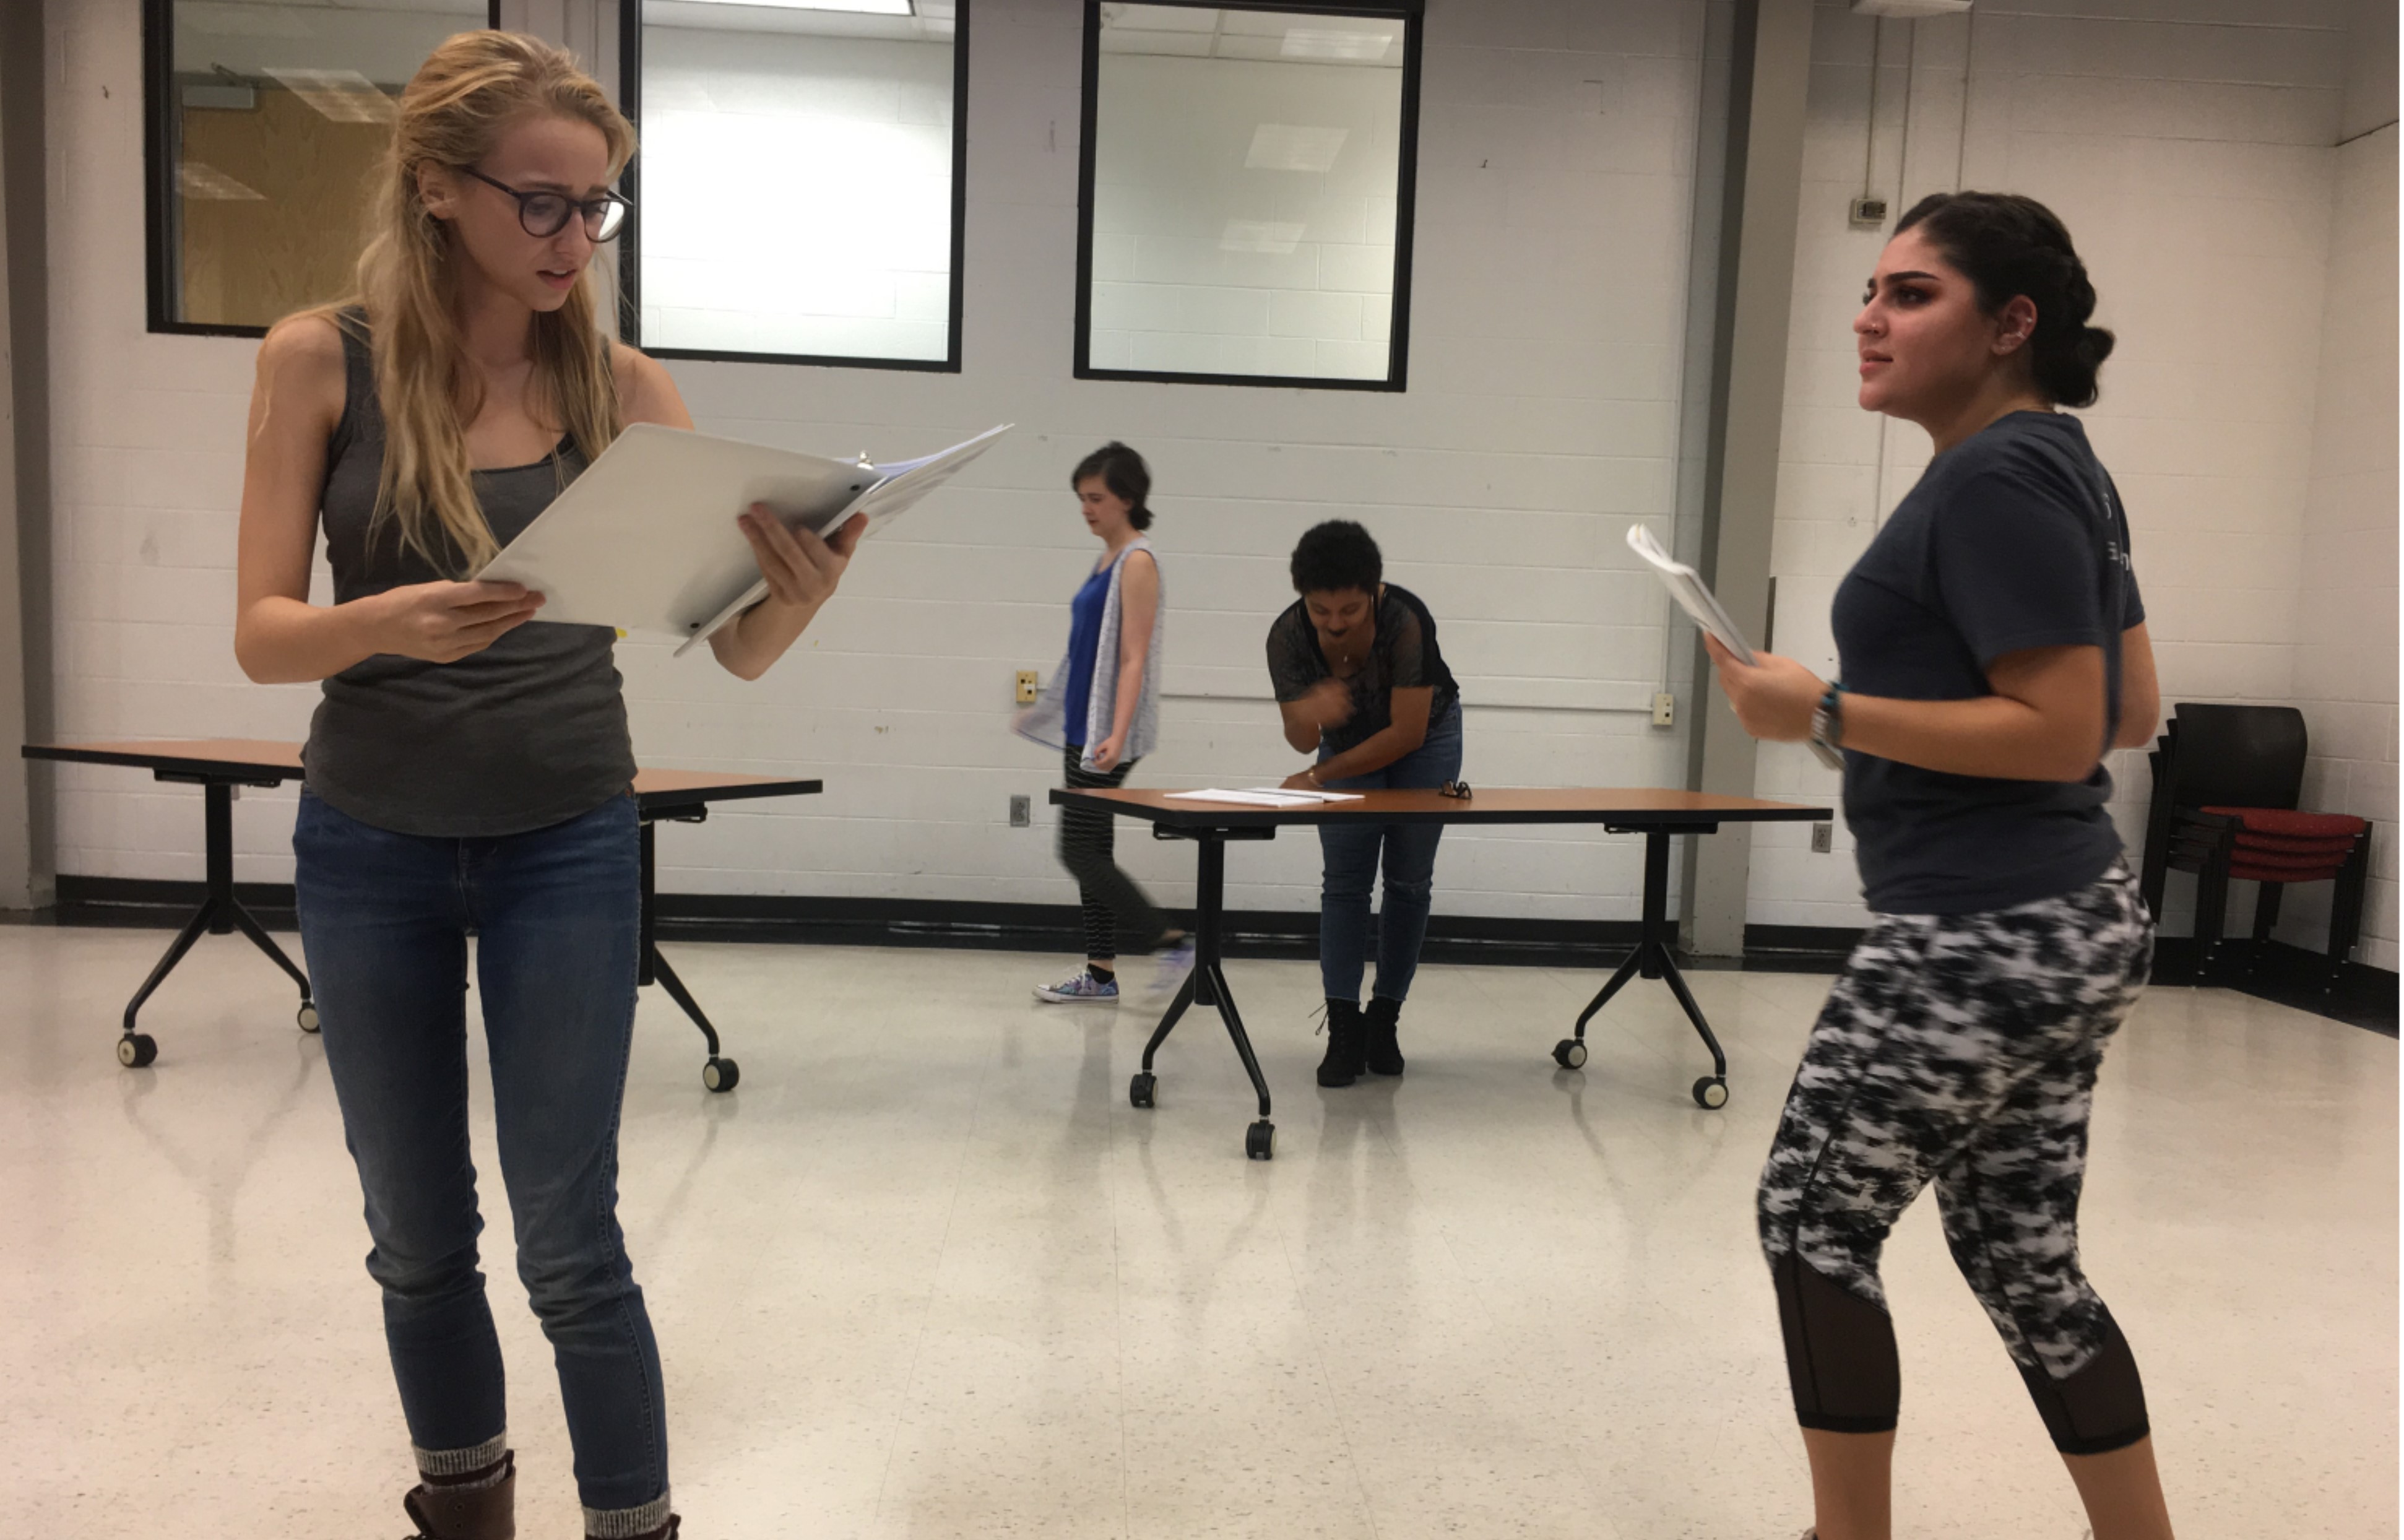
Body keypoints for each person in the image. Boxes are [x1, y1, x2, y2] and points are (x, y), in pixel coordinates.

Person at [233, 33, 862, 1540]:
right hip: (369, 840)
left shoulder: (623, 388)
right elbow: (262, 635)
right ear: (440, 189)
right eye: (545, 206)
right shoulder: (318, 357)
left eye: (600, 211)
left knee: (571, 1237)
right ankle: (464, 1501)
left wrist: (805, 584)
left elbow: (740, 650)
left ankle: (630, 1521)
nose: (577, 241)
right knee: (418, 1233)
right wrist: (385, 620)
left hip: (565, 837)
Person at [1706, 192, 2173, 1540]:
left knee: (1810, 1221)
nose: (1868, 315)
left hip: (1986, 931)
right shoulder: (2057, 459)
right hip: (2067, 922)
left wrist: (1827, 712)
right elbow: (2130, 708)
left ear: (2011, 322)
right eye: (1870, 288)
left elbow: (2063, 728)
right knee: (2024, 1257)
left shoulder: (1992, 477)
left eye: (1911, 293)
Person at [1266, 521, 1463, 1088]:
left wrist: (1319, 774)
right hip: (1347, 746)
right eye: (1321, 609)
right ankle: (1344, 1027)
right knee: (1346, 882)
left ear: (1374, 592)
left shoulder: (1405, 619)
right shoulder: (1287, 637)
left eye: (1349, 610)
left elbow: (1405, 733)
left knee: (1408, 880)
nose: (1334, 622)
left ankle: (1385, 1018)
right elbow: (1301, 739)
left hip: (1427, 737)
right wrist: (1309, 710)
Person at [1016, 442, 1187, 1003]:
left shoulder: (1138, 562)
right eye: (1082, 498)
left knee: (1078, 851)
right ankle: (1101, 975)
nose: (1086, 508)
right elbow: (1086, 649)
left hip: (1106, 732)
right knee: (1094, 847)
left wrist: (1116, 733)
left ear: (1127, 499)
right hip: (1084, 725)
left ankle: (1171, 941)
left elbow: (1134, 656)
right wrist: (1048, 709)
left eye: (1096, 498)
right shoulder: (1106, 559)